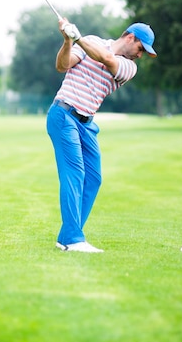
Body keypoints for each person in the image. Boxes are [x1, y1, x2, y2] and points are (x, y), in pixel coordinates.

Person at [47, 19, 157, 253]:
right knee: (75, 173)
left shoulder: (129, 67)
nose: (140, 55)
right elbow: (62, 65)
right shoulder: (93, 41)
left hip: (86, 123)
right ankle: (73, 239)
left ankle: (68, 235)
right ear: (130, 38)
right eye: (141, 49)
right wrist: (67, 41)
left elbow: (106, 59)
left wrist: (78, 38)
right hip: (63, 114)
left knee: (94, 178)